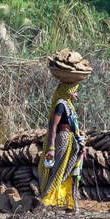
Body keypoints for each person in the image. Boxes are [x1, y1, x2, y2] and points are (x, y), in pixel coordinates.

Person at [37, 82, 85, 211]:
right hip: (63, 139)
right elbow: (53, 126)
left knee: (68, 171)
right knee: (59, 169)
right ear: (68, 91)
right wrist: (51, 148)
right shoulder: (61, 104)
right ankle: (48, 201)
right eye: (75, 90)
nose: (76, 93)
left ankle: (64, 201)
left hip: (71, 140)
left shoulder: (69, 105)